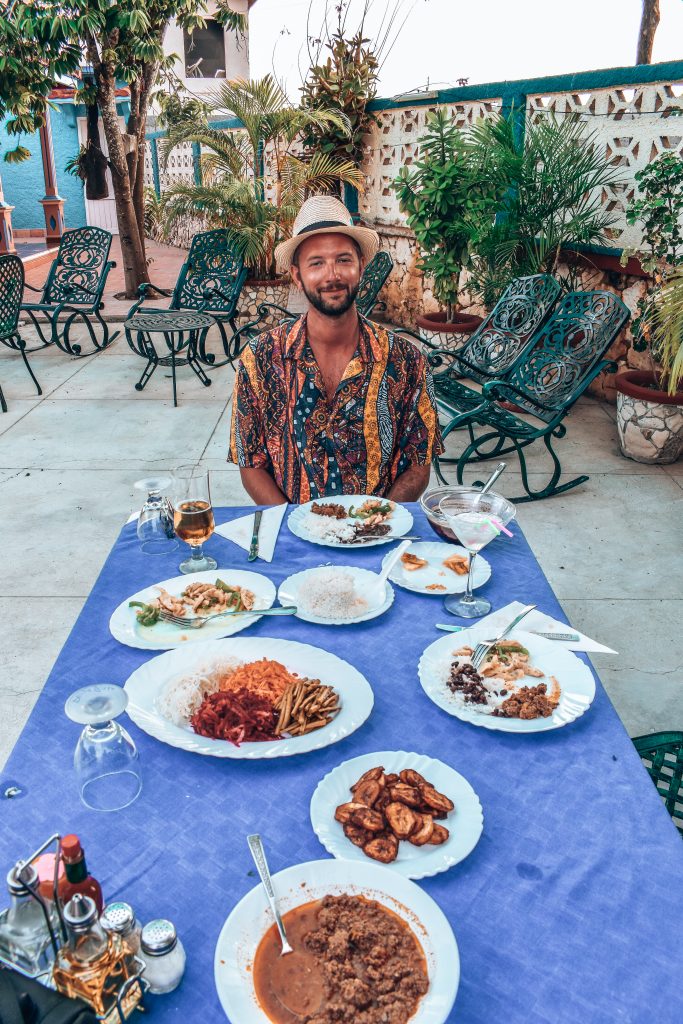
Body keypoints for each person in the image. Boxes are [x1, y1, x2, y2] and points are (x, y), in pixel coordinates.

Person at [228, 195, 443, 504]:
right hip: (292, 537)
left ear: (361, 267)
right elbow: (251, 463)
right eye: (316, 263)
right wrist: (297, 528)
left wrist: (376, 522)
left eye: (343, 259)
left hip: (379, 535)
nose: (332, 275)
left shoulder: (407, 361)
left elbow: (419, 462)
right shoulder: (260, 358)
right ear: (297, 276)